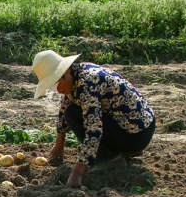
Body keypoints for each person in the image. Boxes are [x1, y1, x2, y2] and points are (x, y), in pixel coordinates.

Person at [32, 50, 155, 188]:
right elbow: (64, 108)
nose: (57, 90)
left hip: (136, 135)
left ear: (66, 71)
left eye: (56, 84)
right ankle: (121, 151)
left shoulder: (88, 84)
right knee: (70, 110)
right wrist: (59, 146)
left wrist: (77, 172)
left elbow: (94, 130)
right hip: (138, 128)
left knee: (73, 113)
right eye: (52, 87)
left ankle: (110, 159)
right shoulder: (77, 73)